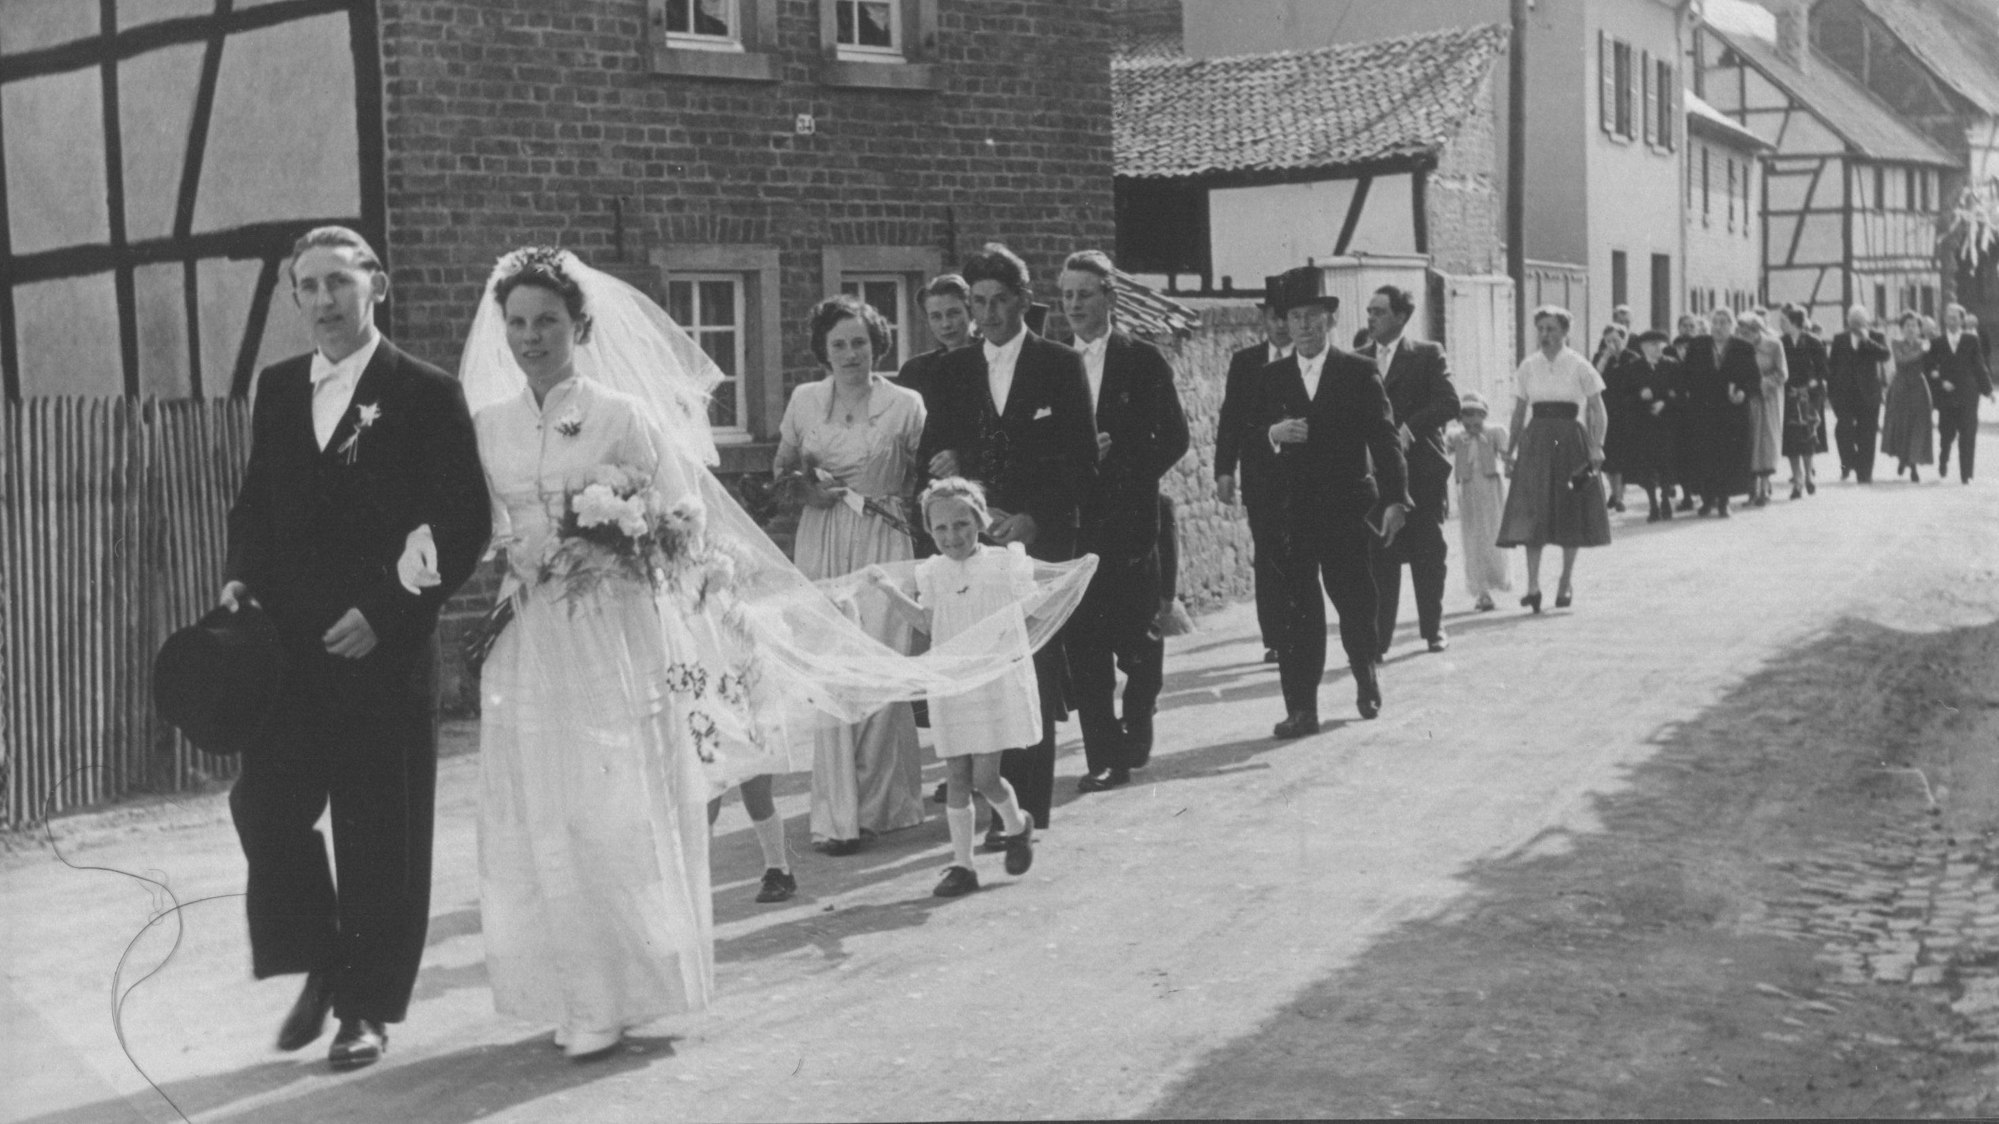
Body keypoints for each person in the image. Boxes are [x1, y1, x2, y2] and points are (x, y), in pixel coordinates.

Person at [222, 227, 491, 1069]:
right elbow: (256, 501)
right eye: (308, 286)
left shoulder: (424, 391)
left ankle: (365, 1011)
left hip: (382, 650)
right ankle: (325, 958)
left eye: (339, 282)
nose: (325, 301)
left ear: (375, 285)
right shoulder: (275, 388)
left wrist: (386, 610)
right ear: (295, 298)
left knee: (379, 832)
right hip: (291, 653)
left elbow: (463, 524)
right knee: (263, 805)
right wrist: (239, 576)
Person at [468, 248, 738, 1059]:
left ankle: (635, 990)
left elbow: (683, 517)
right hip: (531, 633)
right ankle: (576, 992)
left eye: (546, 320)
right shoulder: (489, 426)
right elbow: (479, 530)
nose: (530, 337)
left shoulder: (623, 415)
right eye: (516, 323)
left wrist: (616, 539)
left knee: (614, 808)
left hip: (611, 633)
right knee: (545, 813)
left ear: (578, 325)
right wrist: (509, 552)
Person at [916, 242, 1097, 837]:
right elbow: (935, 455)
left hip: (1032, 535)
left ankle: (1027, 811)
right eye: (979, 303)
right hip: (973, 540)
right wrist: (948, 462)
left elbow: (1078, 459)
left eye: (999, 301)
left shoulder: (1058, 365)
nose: (987, 314)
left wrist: (1036, 520)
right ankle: (994, 808)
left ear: (1023, 301)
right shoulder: (952, 370)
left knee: (1030, 669)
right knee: (979, 667)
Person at [777, 296, 928, 856]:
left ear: (877, 344)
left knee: (880, 669)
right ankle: (838, 815)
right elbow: (783, 467)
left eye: (859, 342)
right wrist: (805, 487)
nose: (849, 354)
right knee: (832, 674)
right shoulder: (804, 400)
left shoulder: (906, 404)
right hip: (821, 540)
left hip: (883, 541)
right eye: (838, 344)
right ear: (823, 350)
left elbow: (927, 470)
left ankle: (881, 806)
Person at [1254, 266, 1409, 736]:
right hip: (1291, 514)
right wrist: (1272, 435)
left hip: (1344, 508)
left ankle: (1365, 671)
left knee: (1355, 602)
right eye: (1295, 317)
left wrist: (1396, 499)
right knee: (1297, 612)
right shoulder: (1270, 378)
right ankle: (1302, 708)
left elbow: (1385, 440)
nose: (1302, 326)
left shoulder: (1357, 372)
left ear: (1330, 322)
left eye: (1313, 317)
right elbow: (1247, 442)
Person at [867, 479, 1037, 897]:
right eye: (940, 529)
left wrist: (1007, 652)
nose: (952, 537)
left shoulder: (1003, 565)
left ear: (981, 520)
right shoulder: (933, 573)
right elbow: (927, 622)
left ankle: (1017, 825)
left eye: (962, 525)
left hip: (990, 682)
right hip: (951, 683)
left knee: (986, 777)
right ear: (929, 530)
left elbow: (1029, 615)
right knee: (956, 775)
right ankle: (963, 865)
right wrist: (889, 591)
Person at [1058, 250, 1189, 792]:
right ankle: (1104, 757)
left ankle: (1141, 711)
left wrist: (1129, 471)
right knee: (1086, 646)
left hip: (1131, 523)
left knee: (1139, 642)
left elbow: (1175, 437)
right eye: (1066, 295)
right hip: (1074, 527)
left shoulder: (1142, 359)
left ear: (1109, 297)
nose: (1073, 305)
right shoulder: (1050, 363)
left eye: (1084, 294)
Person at [1359, 284, 1458, 657]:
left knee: (1427, 552)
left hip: (1421, 471)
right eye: (1369, 311)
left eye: (1379, 312)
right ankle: (1379, 640)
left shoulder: (1427, 355)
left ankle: (1433, 628)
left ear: (1401, 317)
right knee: (1380, 555)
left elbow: (1448, 402)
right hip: (1377, 474)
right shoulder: (1359, 358)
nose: (1371, 318)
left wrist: (1410, 428)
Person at [1497, 306, 1610, 611]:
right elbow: (1520, 412)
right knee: (1535, 511)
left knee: (1569, 509)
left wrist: (1597, 445)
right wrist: (1511, 451)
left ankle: (1565, 581)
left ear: (1564, 332)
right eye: (1541, 329)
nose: (1545, 335)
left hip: (1572, 442)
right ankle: (1532, 586)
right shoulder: (1528, 366)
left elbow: (1597, 408)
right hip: (1536, 443)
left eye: (1551, 329)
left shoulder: (1580, 365)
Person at [1215, 277, 1293, 664]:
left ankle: (1300, 630)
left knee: (1300, 553)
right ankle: (1275, 637)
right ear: (1263, 318)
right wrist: (1224, 469)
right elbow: (1231, 418)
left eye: (1287, 318)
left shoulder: (1310, 360)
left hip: (1303, 478)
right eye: (1274, 317)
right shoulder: (1245, 363)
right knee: (1267, 554)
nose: (1281, 326)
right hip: (1261, 475)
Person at [1446, 392, 1510, 611]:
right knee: (1473, 538)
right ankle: (1481, 590)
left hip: (1491, 490)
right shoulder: (1456, 437)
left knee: (1492, 534)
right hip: (1470, 491)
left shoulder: (1494, 433)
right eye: (1467, 415)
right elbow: (1442, 448)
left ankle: (1496, 580)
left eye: (1477, 415)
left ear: (1485, 415)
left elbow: (1508, 455)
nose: (1472, 421)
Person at [1614, 329, 1681, 521]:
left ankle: (1665, 499)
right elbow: (1624, 396)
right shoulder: (1633, 368)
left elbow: (1680, 391)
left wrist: (1665, 402)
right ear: (1643, 348)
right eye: (1651, 345)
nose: (1656, 349)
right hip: (1643, 424)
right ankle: (1653, 504)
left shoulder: (1672, 366)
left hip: (1667, 422)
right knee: (1647, 465)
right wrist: (1639, 397)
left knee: (1667, 462)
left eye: (1660, 345)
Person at [1926, 303, 1995, 483]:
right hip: (1947, 396)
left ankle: (1967, 475)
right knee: (1946, 434)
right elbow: (1930, 368)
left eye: (1954, 318)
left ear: (1962, 320)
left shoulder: (1971, 341)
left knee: (1968, 433)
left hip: (1968, 394)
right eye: (1948, 318)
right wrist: (1941, 382)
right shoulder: (1937, 343)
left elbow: (1979, 366)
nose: (1951, 321)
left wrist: (1989, 391)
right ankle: (1944, 459)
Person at [1827, 304, 1892, 483]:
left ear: (1866, 322)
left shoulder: (1876, 336)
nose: (1855, 326)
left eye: (1859, 322)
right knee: (1843, 431)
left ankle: (1865, 473)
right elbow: (1831, 367)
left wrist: (1867, 340)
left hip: (1869, 394)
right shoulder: (1840, 339)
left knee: (1867, 435)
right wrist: (1832, 394)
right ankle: (1848, 464)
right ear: (1848, 321)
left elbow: (1885, 355)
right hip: (1845, 395)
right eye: (1853, 322)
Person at [894, 273, 975, 413]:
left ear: (971, 313)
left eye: (953, 313)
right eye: (936, 316)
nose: (945, 324)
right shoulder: (915, 371)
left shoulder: (994, 359)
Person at [1778, 304, 1829, 499]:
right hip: (1789, 394)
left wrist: (1812, 383)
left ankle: (1809, 476)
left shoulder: (1814, 342)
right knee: (1791, 440)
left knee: (1807, 436)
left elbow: (1824, 369)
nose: (1782, 325)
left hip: (1809, 395)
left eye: (1785, 322)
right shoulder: (1781, 343)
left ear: (1794, 323)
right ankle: (1797, 479)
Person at [1740, 311, 1788, 507]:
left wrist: (1764, 383)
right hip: (1747, 398)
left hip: (1767, 399)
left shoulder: (1774, 345)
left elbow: (1783, 373)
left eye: (1749, 331)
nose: (1745, 336)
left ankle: (1764, 487)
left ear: (1758, 330)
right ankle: (1751, 489)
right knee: (1749, 441)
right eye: (1742, 331)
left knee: (1766, 441)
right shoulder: (1740, 347)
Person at [1882, 310, 1936, 481]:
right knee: (1902, 425)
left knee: (1918, 425)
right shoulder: (1896, 342)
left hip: (1919, 387)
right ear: (1902, 328)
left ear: (1919, 328)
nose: (1911, 329)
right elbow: (1901, 360)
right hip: (1901, 387)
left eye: (1914, 325)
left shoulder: (1925, 343)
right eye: (1907, 325)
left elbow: (1933, 363)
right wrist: (1922, 350)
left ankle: (1913, 464)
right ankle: (1903, 458)